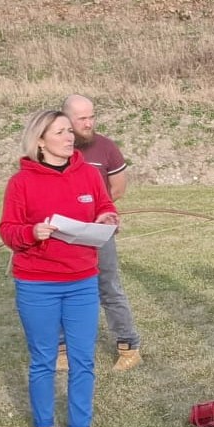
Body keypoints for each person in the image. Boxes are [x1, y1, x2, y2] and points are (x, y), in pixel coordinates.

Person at [0, 108, 120, 427]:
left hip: (82, 281)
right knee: (43, 359)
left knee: (83, 359)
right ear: (40, 141)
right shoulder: (21, 182)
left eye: (70, 131)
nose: (70, 138)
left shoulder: (89, 175)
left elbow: (106, 207)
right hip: (37, 284)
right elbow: (8, 230)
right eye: (60, 132)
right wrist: (31, 232)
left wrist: (108, 217)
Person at [63, 94, 143, 372]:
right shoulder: (54, 148)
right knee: (61, 289)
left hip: (99, 230)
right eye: (81, 118)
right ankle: (61, 350)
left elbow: (117, 189)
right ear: (65, 119)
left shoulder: (106, 147)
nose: (88, 123)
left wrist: (97, 211)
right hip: (62, 234)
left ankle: (129, 347)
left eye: (92, 117)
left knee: (109, 287)